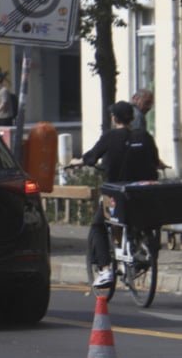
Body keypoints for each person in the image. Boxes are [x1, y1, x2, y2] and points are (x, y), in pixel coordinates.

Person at [68, 100, 162, 287]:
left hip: (117, 195)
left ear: (114, 118)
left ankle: (105, 269)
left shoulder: (110, 137)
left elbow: (92, 156)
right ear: (132, 118)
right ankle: (139, 248)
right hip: (144, 195)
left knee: (97, 227)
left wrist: (77, 162)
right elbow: (154, 160)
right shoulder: (144, 136)